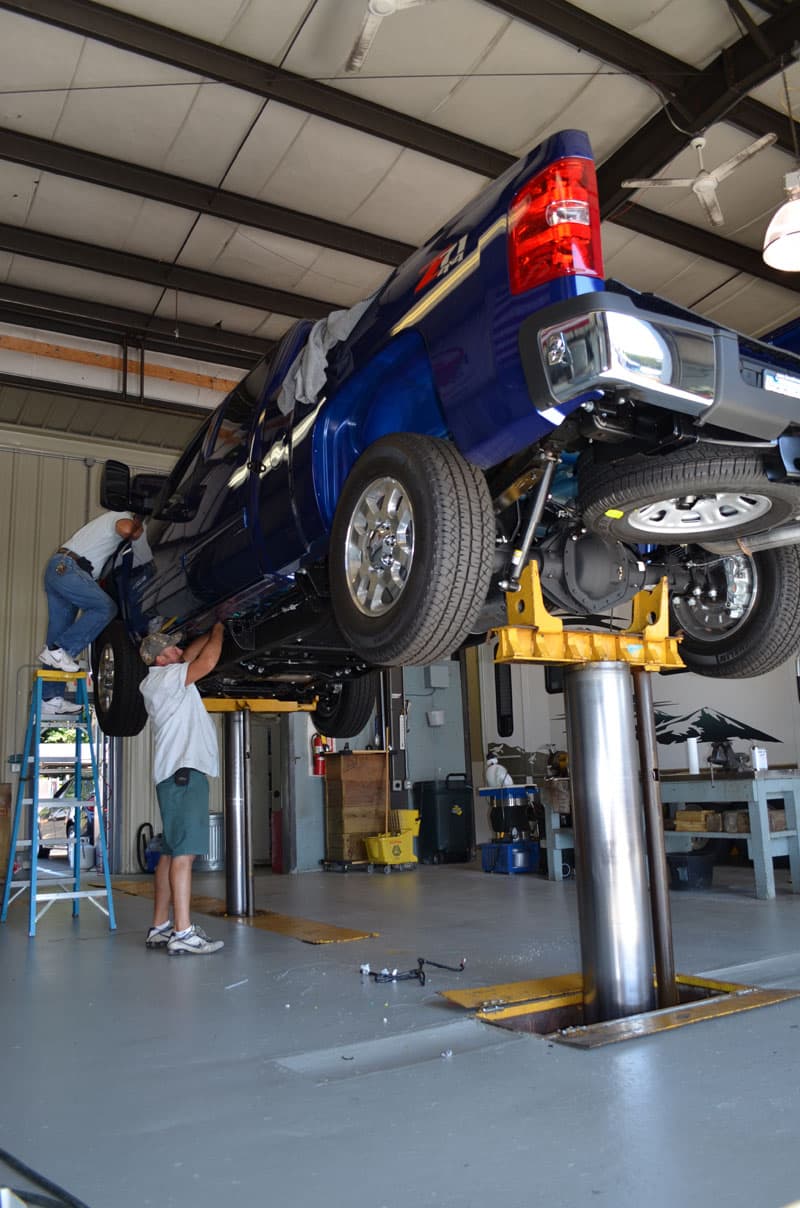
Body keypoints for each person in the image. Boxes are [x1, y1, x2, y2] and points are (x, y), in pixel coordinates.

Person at [139, 623, 225, 956]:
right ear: (160, 659)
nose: (179, 650)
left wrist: (207, 626)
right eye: (172, 649)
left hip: (176, 776)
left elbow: (190, 653)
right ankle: (183, 932)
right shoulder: (164, 679)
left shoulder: (163, 678)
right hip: (184, 775)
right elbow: (206, 663)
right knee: (185, 855)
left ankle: (160, 927)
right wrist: (219, 629)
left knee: (173, 851)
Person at [40, 512, 145, 713]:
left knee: (58, 633)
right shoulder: (122, 516)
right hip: (68, 568)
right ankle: (60, 650)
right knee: (105, 607)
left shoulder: (103, 525)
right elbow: (125, 528)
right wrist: (140, 529)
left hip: (60, 570)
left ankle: (50, 698)